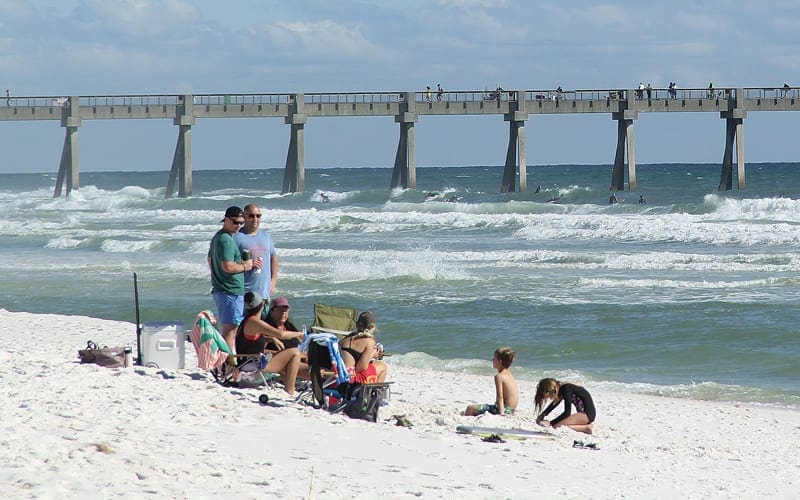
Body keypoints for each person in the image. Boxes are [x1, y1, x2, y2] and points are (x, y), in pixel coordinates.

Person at [207, 206, 263, 353]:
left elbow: (210, 259)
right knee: (230, 330)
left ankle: (228, 364)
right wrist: (246, 265)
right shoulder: (225, 240)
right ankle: (229, 365)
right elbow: (228, 266)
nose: (239, 226)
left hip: (225, 289)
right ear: (226, 220)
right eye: (235, 222)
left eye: (241, 223)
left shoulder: (219, 237)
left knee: (231, 328)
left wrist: (218, 275)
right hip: (229, 291)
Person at [236, 291, 306, 394]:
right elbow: (281, 334)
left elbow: (251, 344)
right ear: (263, 306)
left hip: (251, 361)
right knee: (295, 352)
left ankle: (295, 387)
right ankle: (290, 390)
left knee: (298, 362)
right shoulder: (254, 322)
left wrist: (270, 339)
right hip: (251, 365)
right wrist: (300, 334)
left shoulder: (247, 321)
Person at [234, 203, 278, 303]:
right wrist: (248, 263)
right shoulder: (237, 237)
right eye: (251, 216)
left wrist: (273, 281)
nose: (255, 219)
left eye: (258, 216)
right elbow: (229, 263)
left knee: (263, 319)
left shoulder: (265, 236)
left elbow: (273, 256)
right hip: (246, 294)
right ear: (244, 216)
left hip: (265, 294)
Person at [463, 347, 519, 416]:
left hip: (504, 409)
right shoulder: (510, 374)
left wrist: (501, 414)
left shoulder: (499, 376)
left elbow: (500, 397)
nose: (492, 360)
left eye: (494, 358)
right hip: (511, 409)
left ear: (500, 361)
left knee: (470, 408)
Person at [339, 311, 388, 383]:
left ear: (356, 324)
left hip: (339, 376)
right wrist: (372, 354)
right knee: (382, 366)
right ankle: (374, 392)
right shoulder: (369, 341)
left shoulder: (346, 338)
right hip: (351, 379)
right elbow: (360, 368)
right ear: (373, 327)